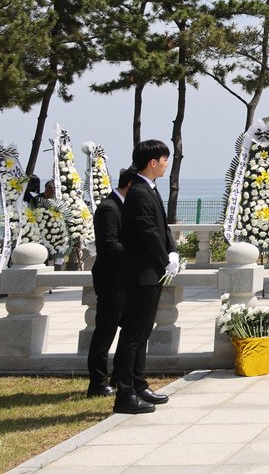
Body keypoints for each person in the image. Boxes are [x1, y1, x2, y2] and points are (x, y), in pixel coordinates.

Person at [111, 140, 179, 415]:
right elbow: (147, 232)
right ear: (152, 162)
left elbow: (162, 229)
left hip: (153, 273)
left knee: (142, 333)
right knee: (133, 335)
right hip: (142, 273)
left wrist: (172, 252)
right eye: (164, 160)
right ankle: (124, 393)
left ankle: (139, 383)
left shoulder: (148, 189)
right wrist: (165, 259)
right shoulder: (139, 192)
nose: (166, 165)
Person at [87, 167, 134, 397]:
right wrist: (139, 253)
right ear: (131, 186)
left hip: (126, 278)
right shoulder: (109, 208)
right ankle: (97, 382)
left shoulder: (123, 207)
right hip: (111, 279)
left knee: (128, 330)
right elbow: (109, 245)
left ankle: (119, 375)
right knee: (105, 332)